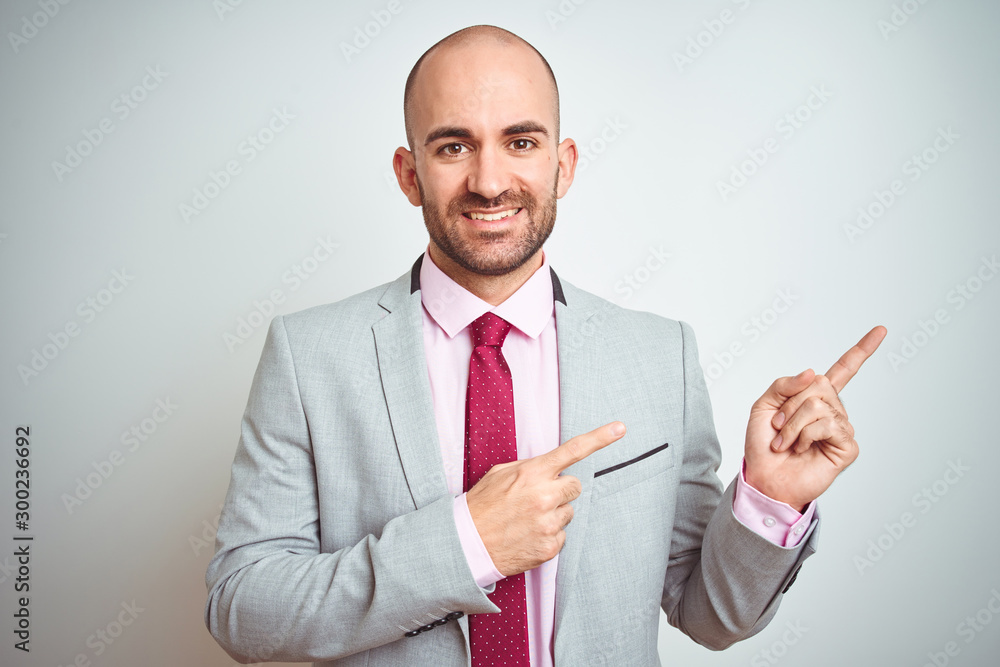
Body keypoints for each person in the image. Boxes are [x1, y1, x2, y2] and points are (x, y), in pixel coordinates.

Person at [204, 25, 885, 666]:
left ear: (564, 165)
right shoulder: (308, 356)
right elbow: (243, 608)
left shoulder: (660, 356)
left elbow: (710, 613)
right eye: (452, 146)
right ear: (409, 174)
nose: (490, 181)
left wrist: (767, 499)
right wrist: (467, 543)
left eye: (521, 142)